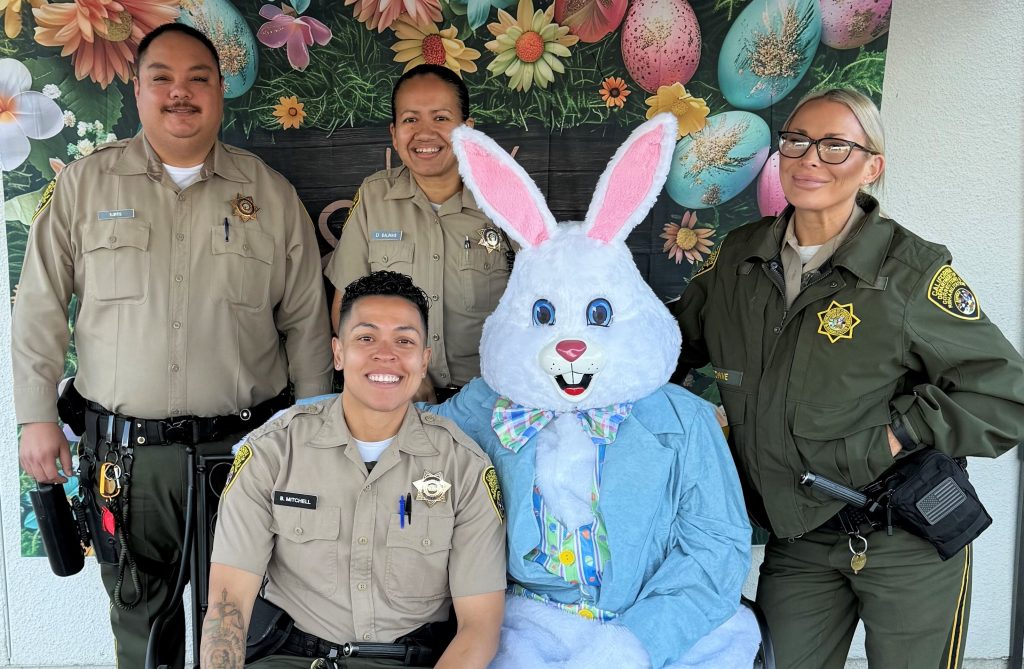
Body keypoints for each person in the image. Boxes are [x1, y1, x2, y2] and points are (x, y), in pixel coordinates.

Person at [12, 23, 332, 669]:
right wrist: (35, 417)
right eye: (162, 77)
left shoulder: (268, 195)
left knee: (244, 626)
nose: (179, 93)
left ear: (221, 92)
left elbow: (306, 322)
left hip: (243, 456)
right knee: (142, 628)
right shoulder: (84, 187)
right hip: (127, 465)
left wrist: (316, 438)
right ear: (137, 90)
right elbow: (39, 306)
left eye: (198, 79)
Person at [673, 87, 1024, 668]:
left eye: (836, 145)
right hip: (799, 534)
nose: (811, 159)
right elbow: (667, 349)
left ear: (872, 166)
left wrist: (899, 435)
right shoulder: (738, 262)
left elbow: (1003, 392)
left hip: (905, 535)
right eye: (797, 142)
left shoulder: (910, 273)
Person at [201, 270, 506, 668]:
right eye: (366, 337)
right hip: (294, 657)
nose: (386, 353)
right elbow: (229, 609)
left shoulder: (464, 468)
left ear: (423, 359)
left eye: (404, 340)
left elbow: (479, 628)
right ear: (338, 353)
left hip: (408, 660)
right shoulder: (273, 452)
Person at [325, 64, 512, 402]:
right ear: (394, 133)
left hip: (491, 403)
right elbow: (347, 308)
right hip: (396, 400)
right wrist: (398, 376)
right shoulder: (374, 197)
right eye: (411, 120)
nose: (425, 133)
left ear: (468, 130)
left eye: (441, 118)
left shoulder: (503, 200)